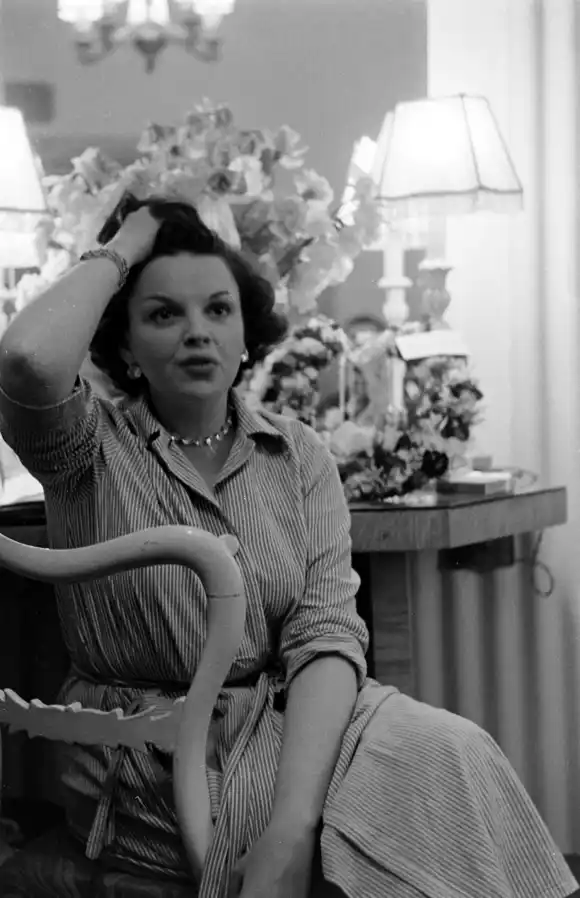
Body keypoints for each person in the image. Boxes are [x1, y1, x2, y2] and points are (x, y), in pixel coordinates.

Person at [0, 196, 576, 898]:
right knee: (402, 827)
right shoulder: (85, 448)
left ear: (247, 334)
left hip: (291, 724)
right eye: (162, 314)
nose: (196, 333)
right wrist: (132, 240)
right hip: (155, 751)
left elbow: (325, 636)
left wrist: (293, 825)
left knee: (455, 754)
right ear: (124, 346)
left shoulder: (298, 453)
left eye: (218, 310)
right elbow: (27, 360)